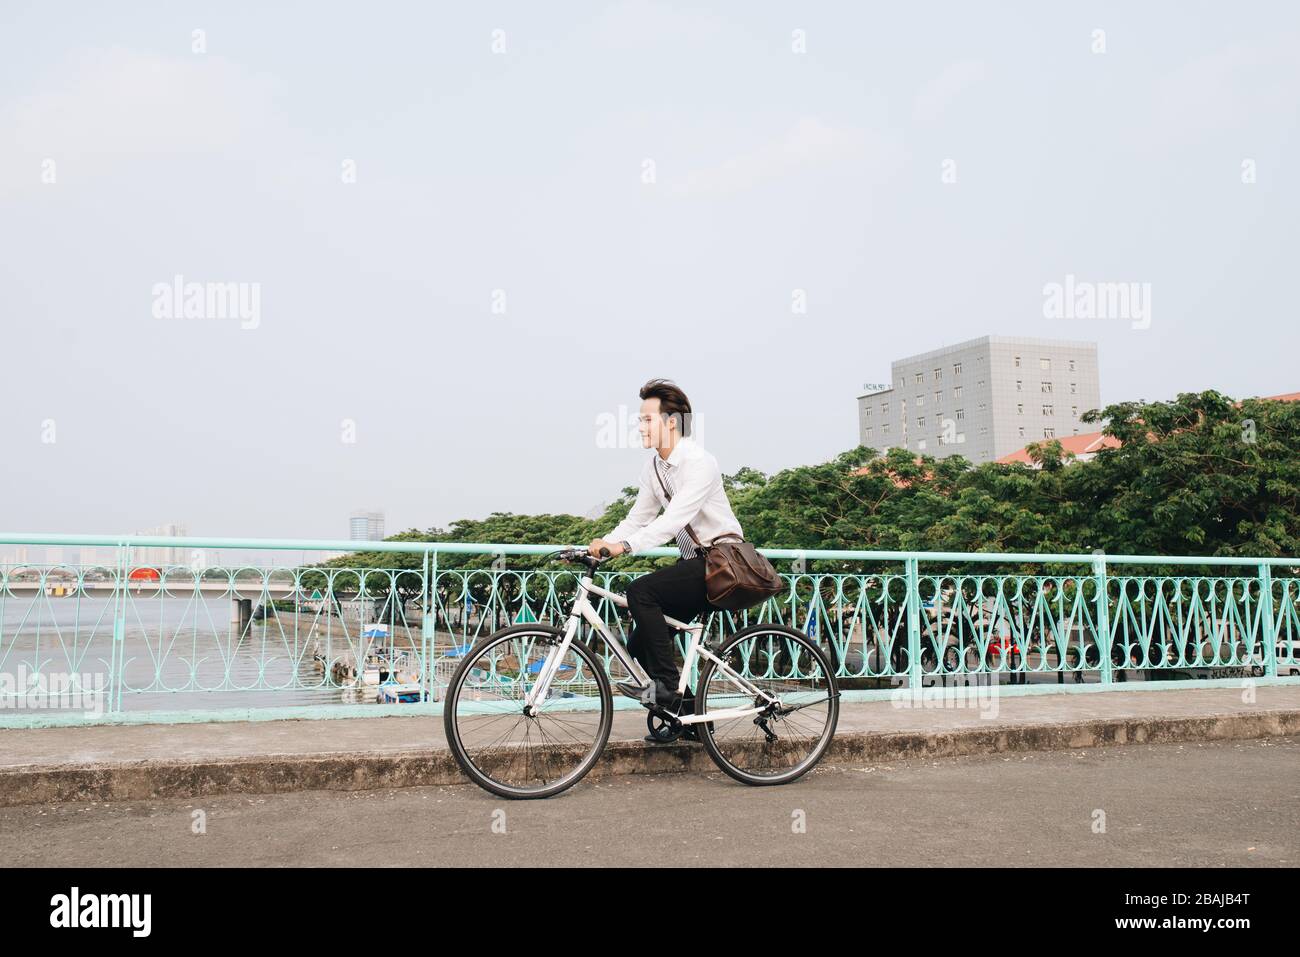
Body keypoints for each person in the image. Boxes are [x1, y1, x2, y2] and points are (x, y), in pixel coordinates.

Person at [588, 378, 744, 739]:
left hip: (722, 563)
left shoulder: (700, 462)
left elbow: (673, 520)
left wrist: (625, 548)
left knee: (641, 592)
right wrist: (600, 544)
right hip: (695, 566)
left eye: (646, 419)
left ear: (671, 422)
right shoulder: (654, 468)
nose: (639, 426)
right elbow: (637, 519)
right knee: (638, 644)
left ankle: (668, 690)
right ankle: (691, 724)